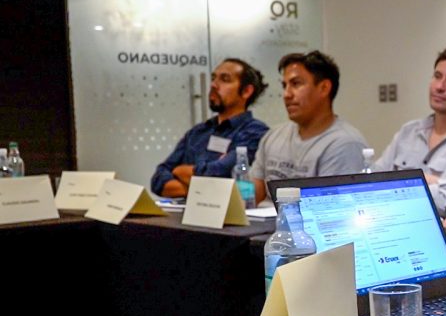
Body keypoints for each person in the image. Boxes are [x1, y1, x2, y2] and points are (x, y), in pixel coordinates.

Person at [373, 44, 446, 216]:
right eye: (437, 76)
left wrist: (396, 182)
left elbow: (445, 201)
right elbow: (371, 183)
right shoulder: (409, 131)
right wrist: (428, 182)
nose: (439, 87)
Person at [252, 50, 368, 204]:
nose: (286, 94)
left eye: (296, 84)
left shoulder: (344, 143)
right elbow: (254, 193)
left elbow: (329, 209)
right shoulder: (273, 135)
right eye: (284, 85)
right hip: (261, 224)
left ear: (324, 88)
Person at [150, 58, 269, 198]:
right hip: (185, 215)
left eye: (225, 79)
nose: (213, 85)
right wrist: (203, 190)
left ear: (246, 91)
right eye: (213, 78)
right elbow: (158, 179)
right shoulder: (197, 132)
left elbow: (218, 177)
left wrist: (180, 172)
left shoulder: (256, 132)